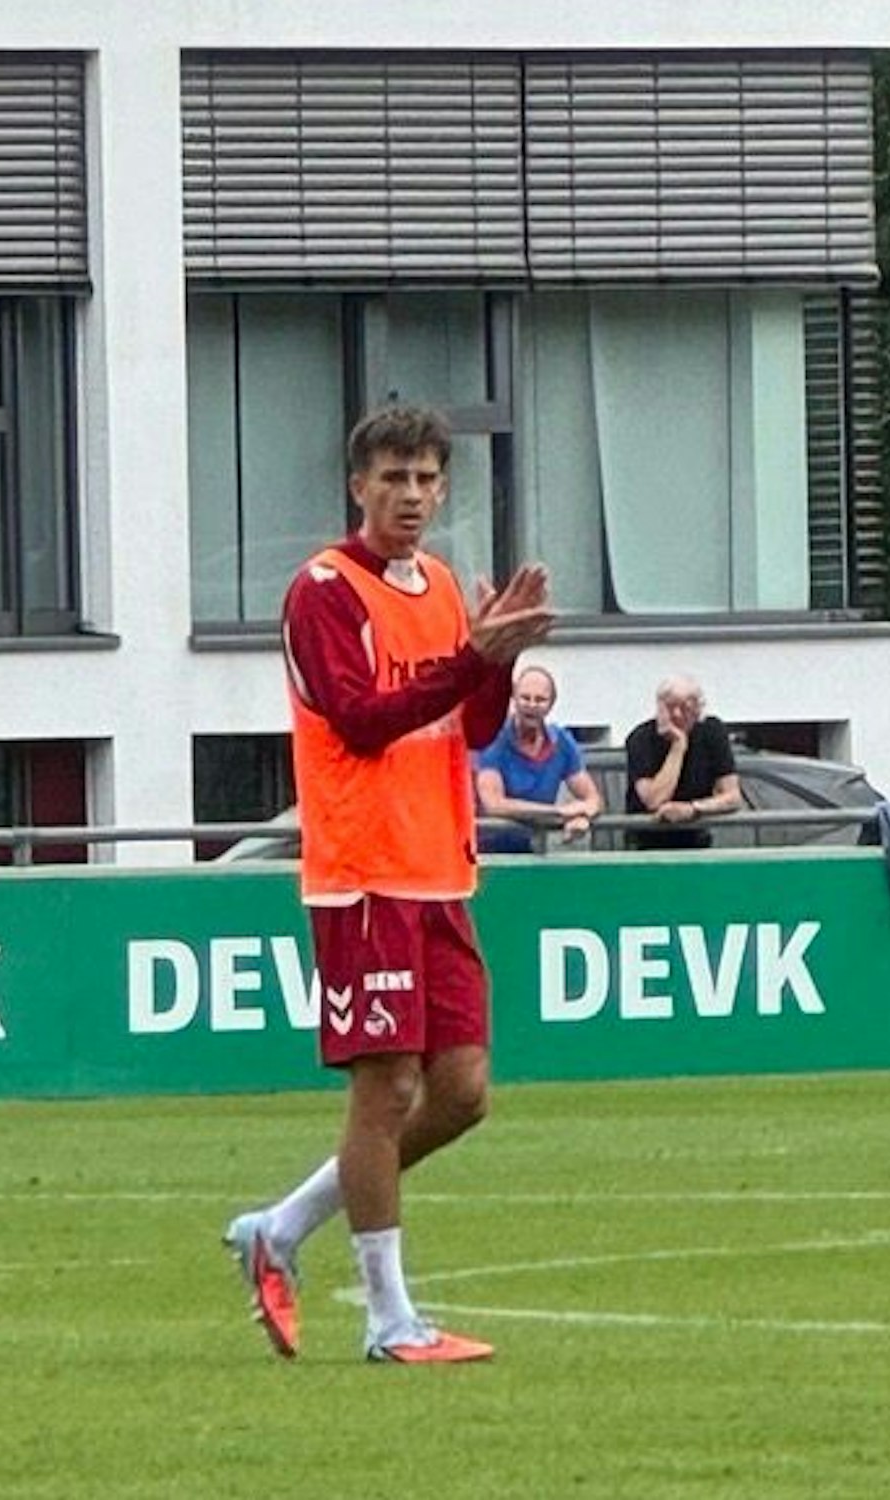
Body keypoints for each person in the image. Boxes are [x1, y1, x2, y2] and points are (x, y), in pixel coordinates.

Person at [222, 404, 554, 1366]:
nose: (411, 496)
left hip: (438, 868)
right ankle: (386, 1317)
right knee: (387, 1087)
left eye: (425, 479)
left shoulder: (442, 585)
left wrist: (500, 653)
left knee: (463, 1091)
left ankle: (281, 1226)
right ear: (357, 486)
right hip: (365, 871)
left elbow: (477, 724)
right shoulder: (323, 592)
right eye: (393, 478)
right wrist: (470, 660)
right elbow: (363, 720)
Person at [472, 664, 602, 853]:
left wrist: (583, 816)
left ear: (551, 704)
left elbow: (593, 798)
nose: (532, 705)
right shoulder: (493, 737)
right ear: (513, 698)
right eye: (525, 698)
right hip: (486, 851)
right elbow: (494, 804)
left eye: (540, 700)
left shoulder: (563, 742)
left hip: (532, 849)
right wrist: (559, 812)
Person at [622, 674, 742, 851]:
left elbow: (733, 797)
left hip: (696, 841)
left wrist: (693, 809)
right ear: (659, 707)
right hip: (646, 845)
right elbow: (655, 800)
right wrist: (678, 747)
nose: (677, 715)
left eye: (685, 708)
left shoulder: (712, 732)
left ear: (699, 709)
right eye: (670, 707)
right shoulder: (640, 738)